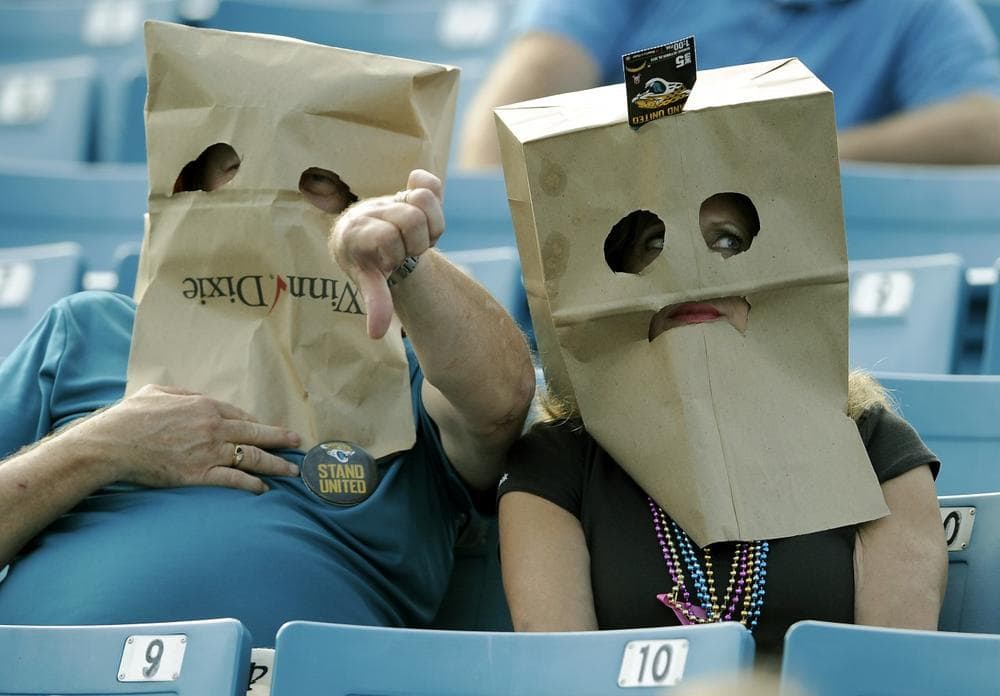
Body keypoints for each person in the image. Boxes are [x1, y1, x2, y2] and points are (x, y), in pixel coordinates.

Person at [0, 158, 535, 644]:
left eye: (316, 181)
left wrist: (404, 262)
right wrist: (103, 446)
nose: (277, 199)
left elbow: (504, 402)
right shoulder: (88, 328)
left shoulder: (412, 370)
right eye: (236, 171)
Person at [496, 193, 948, 656]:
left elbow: (893, 674)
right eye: (656, 244)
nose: (692, 271)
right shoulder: (558, 459)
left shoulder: (873, 447)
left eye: (728, 242)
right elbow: (564, 677)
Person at [459, 0, 1000, 169]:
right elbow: (501, 133)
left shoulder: (921, 11)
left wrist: (778, 154)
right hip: (617, 247)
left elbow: (986, 125)